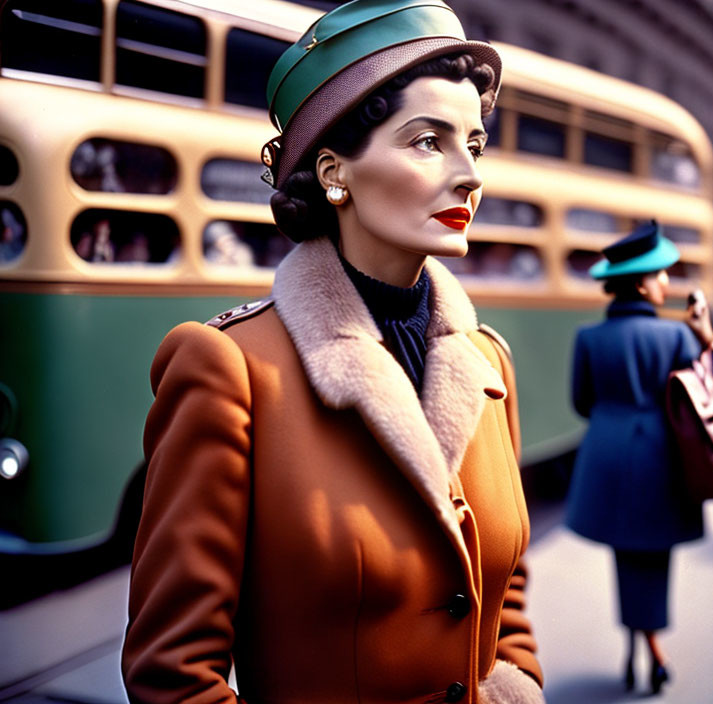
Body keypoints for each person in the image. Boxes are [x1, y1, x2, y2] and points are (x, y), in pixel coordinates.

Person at [121, 2, 544, 703]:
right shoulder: (231, 370)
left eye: (474, 143)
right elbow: (173, 673)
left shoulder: (488, 362)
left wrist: (518, 684)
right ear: (333, 172)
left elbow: (506, 585)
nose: (469, 174)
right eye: (427, 141)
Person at [565, 221, 713, 695]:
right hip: (660, 457)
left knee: (625, 552)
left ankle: (637, 645)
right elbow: (707, 393)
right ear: (639, 282)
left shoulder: (589, 338)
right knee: (656, 553)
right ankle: (652, 648)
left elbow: (581, 402)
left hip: (607, 456)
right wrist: (706, 336)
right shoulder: (675, 338)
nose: (667, 282)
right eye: (660, 274)